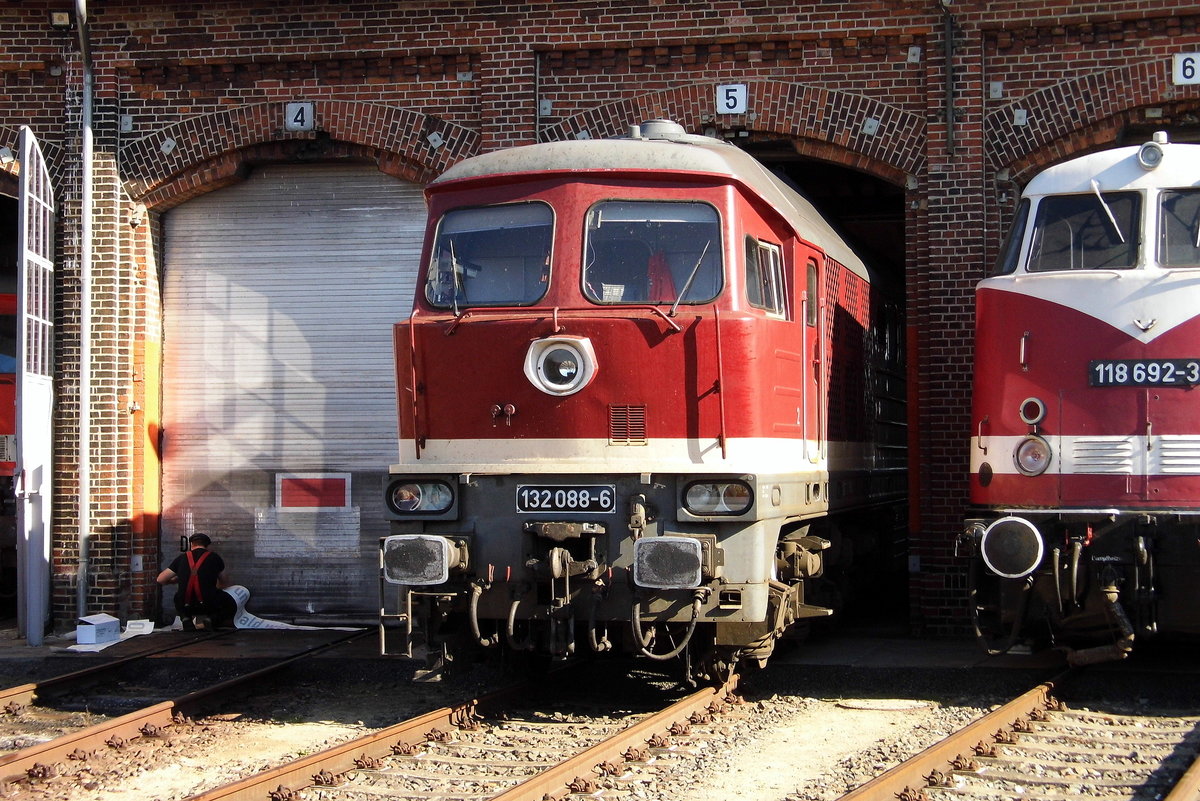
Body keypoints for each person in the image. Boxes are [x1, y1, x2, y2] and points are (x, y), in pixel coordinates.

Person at [156, 533, 237, 630]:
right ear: (207, 546)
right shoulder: (214, 557)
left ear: (191, 544)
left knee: (178, 597)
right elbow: (224, 582)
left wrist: (174, 581)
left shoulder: (181, 558)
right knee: (230, 603)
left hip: (186, 604)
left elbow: (160, 579)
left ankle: (186, 619)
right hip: (208, 604)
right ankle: (211, 619)